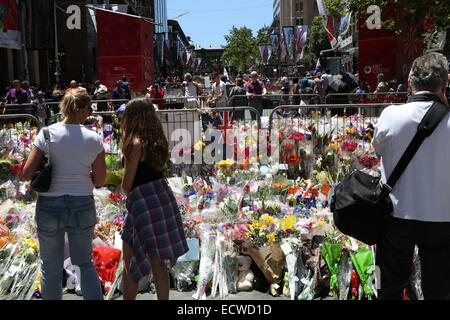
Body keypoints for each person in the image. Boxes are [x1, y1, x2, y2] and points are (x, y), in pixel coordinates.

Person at [372, 52, 450, 300]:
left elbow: (378, 149)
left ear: (409, 82)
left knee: (388, 287)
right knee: (439, 290)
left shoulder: (391, 115)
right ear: (445, 83)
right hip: (442, 218)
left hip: (396, 215)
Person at [22, 88, 106, 300]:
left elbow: (27, 173)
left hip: (50, 205)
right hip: (81, 203)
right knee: (84, 263)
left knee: (50, 267)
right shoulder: (94, 138)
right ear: (85, 110)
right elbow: (101, 180)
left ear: (64, 107)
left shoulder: (47, 134)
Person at [120, 98, 188, 300]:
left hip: (142, 203)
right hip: (161, 198)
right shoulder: (158, 142)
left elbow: (126, 185)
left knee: (130, 260)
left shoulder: (134, 144)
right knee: (158, 262)